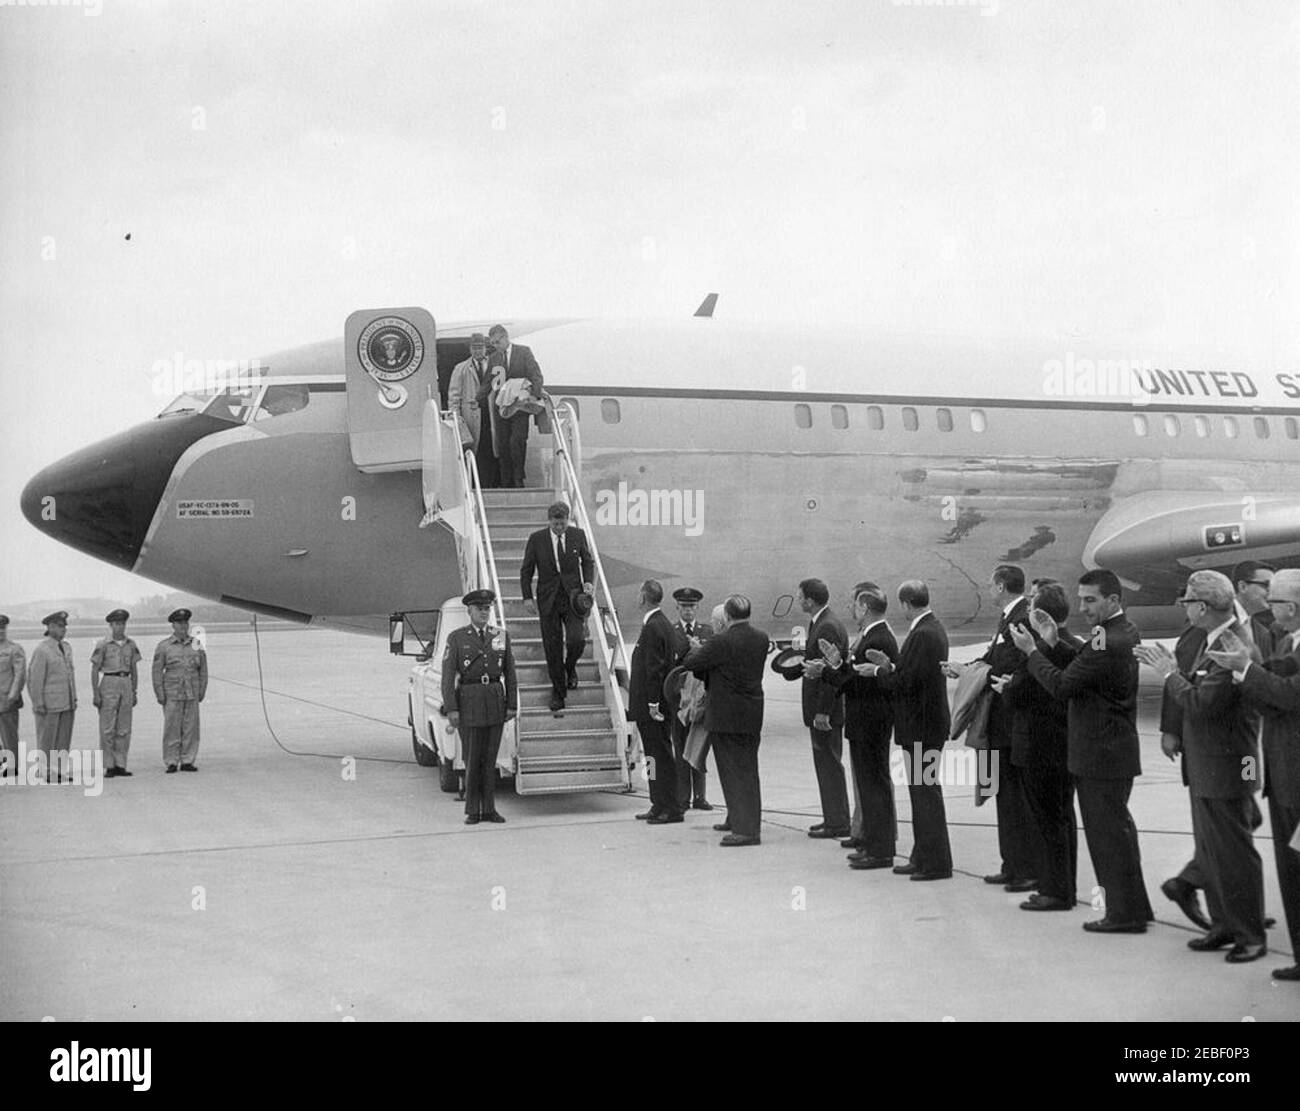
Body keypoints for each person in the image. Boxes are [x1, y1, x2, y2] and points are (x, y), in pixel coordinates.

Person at [1010, 569, 1154, 933]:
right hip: (1111, 751)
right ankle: (1133, 907)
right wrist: (1054, 640)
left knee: (1108, 838)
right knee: (1116, 833)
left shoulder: (1107, 639)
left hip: (1100, 753)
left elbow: (1063, 685)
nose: (1083, 607)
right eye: (1082, 599)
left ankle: (1124, 914)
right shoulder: (1119, 632)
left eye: (1091, 600)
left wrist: (1032, 652)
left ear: (1113, 600)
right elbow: (1081, 667)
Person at [1137, 572, 1266, 963]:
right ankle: (1223, 925)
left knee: (1234, 854)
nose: (1185, 607)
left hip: (1226, 767)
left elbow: (1203, 704)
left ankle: (1249, 934)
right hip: (1210, 765)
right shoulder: (1210, 639)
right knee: (1214, 848)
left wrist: (1168, 674)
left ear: (1204, 606)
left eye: (1188, 601)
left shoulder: (1231, 645)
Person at [1207, 567, 1300, 981]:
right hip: (1284, 780)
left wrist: (1246, 669)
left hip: (1295, 783)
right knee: (1291, 873)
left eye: (1274, 600)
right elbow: (1279, 672)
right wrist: (1253, 663)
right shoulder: (1290, 641)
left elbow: (1286, 695)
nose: (1267, 605)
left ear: (1292, 607)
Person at [949, 564, 1042, 892]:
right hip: (1001, 723)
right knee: (1005, 796)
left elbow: (1011, 664)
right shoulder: (1011, 615)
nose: (988, 588)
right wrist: (968, 668)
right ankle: (1012, 865)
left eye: (991, 583)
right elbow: (994, 656)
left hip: (1008, 721)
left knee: (1014, 798)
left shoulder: (1020, 617)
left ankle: (1026, 869)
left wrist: (975, 674)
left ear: (1001, 585)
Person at [996, 581, 1082, 910]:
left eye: (1032, 607)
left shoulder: (1050, 648)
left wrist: (1011, 687)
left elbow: (1031, 689)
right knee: (1059, 820)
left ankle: (1055, 890)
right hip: (1053, 746)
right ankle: (1059, 886)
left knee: (1050, 822)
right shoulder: (1069, 645)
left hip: (1042, 746)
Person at [862, 581, 953, 880]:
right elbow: (913, 673)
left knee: (925, 795)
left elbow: (905, 683)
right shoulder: (932, 628)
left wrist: (879, 672)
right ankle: (922, 855)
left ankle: (936, 863)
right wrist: (890, 664)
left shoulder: (923, 634)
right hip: (926, 725)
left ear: (905, 603)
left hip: (922, 727)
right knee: (923, 794)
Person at [682, 595, 770, 846]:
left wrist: (699, 650)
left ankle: (746, 830)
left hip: (726, 716)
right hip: (752, 713)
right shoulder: (761, 638)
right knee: (747, 771)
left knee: (733, 773)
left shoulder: (721, 641)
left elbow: (692, 663)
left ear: (728, 616)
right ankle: (738, 819)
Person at [828, 583, 898, 870]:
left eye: (855, 605)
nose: (852, 609)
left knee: (873, 786)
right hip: (867, 723)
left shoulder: (877, 639)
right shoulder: (873, 635)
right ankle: (872, 842)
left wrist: (829, 672)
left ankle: (880, 850)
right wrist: (836, 664)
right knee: (869, 786)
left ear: (865, 608)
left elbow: (859, 684)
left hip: (870, 723)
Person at [441, 589, 517, 824]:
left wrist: (511, 705)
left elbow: (510, 673)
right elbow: (447, 676)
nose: (484, 613)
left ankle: (490, 809)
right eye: (479, 609)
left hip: (494, 699)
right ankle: (473, 810)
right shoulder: (457, 638)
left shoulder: (501, 636)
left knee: (490, 759)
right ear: (469, 611)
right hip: (469, 701)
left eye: (487, 609)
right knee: (473, 759)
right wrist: (452, 708)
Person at [520, 502, 594, 711]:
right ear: (549, 520)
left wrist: (588, 581)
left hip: (573, 599)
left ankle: (569, 668)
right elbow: (526, 570)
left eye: (563, 523)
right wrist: (527, 597)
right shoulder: (537, 539)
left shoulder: (578, 535)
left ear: (568, 519)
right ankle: (558, 693)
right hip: (548, 600)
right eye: (556, 523)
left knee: (577, 640)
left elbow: (587, 561)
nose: (560, 527)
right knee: (552, 647)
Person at [796, 578, 851, 839]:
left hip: (825, 710)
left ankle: (838, 822)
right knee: (826, 763)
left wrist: (823, 711)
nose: (798, 600)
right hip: (821, 707)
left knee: (829, 763)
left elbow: (831, 673)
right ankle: (832, 817)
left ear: (810, 600)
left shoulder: (827, 626)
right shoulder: (822, 621)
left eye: (800, 596)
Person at [629, 580, 681, 824]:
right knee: (651, 756)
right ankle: (657, 802)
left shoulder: (653, 626)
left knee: (659, 755)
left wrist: (652, 703)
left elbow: (655, 669)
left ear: (644, 597)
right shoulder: (660, 623)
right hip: (650, 706)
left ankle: (670, 806)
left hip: (653, 708)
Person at [482, 324, 543, 488]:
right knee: (502, 444)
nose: (495, 346)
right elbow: (490, 381)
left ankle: (518, 478)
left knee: (517, 440)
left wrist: (535, 396)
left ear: (505, 337)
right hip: (502, 407)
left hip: (520, 405)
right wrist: (476, 399)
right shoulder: (494, 358)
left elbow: (535, 374)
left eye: (497, 342)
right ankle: (506, 480)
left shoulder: (523, 352)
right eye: (492, 343)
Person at [669, 586, 712, 810]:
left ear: (697, 608)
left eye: (692, 606)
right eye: (684, 606)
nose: (688, 611)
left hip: (700, 700)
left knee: (699, 747)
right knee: (680, 747)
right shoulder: (671, 631)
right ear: (677, 607)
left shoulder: (707, 632)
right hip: (680, 700)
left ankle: (700, 797)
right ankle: (683, 797)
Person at [152, 608, 207, 773]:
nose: (183, 626)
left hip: (191, 692)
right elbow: (156, 671)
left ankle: (188, 760)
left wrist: (202, 690)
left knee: (191, 728)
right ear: (173, 625)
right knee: (172, 728)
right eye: (179, 623)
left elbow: (203, 670)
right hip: (172, 693)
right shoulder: (164, 646)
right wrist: (159, 693)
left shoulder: (196, 644)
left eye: (185, 623)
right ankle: (171, 761)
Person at [90, 608, 141, 778]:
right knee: (107, 728)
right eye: (117, 624)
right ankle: (109, 765)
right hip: (109, 683)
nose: (120, 627)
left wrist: (134, 690)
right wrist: (96, 693)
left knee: (124, 727)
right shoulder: (103, 644)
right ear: (111, 625)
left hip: (125, 682)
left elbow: (134, 668)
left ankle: (121, 764)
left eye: (123, 623)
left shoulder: (131, 644)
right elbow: (95, 669)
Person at [30, 611, 77, 783]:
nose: (63, 629)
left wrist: (74, 698)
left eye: (64, 626)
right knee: (47, 739)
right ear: (49, 627)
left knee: (63, 738)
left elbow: (70, 675)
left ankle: (59, 771)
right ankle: (45, 771)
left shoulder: (66, 647)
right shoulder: (42, 650)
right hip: (49, 703)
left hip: (67, 701)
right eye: (59, 626)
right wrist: (38, 702)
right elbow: (35, 679)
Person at [448, 334, 494, 480]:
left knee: (491, 449)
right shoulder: (461, 368)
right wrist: (456, 419)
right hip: (471, 417)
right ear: (469, 349)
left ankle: (491, 482)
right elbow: (454, 397)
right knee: (475, 450)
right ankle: (473, 482)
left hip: (490, 415)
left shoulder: (495, 366)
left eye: (480, 347)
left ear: (485, 348)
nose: (477, 351)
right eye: (474, 348)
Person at [1233, 560, 1278, 658]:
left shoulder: (1264, 633)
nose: (1271, 593)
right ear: (1243, 587)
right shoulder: (1215, 616)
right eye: (1266, 585)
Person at [0, 614, 26, 768]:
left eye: (3, 628)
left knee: (9, 733)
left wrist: (13, 694)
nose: (0, 631)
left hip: (6, 698)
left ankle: (12, 765)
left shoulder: (14, 649)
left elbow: (20, 674)